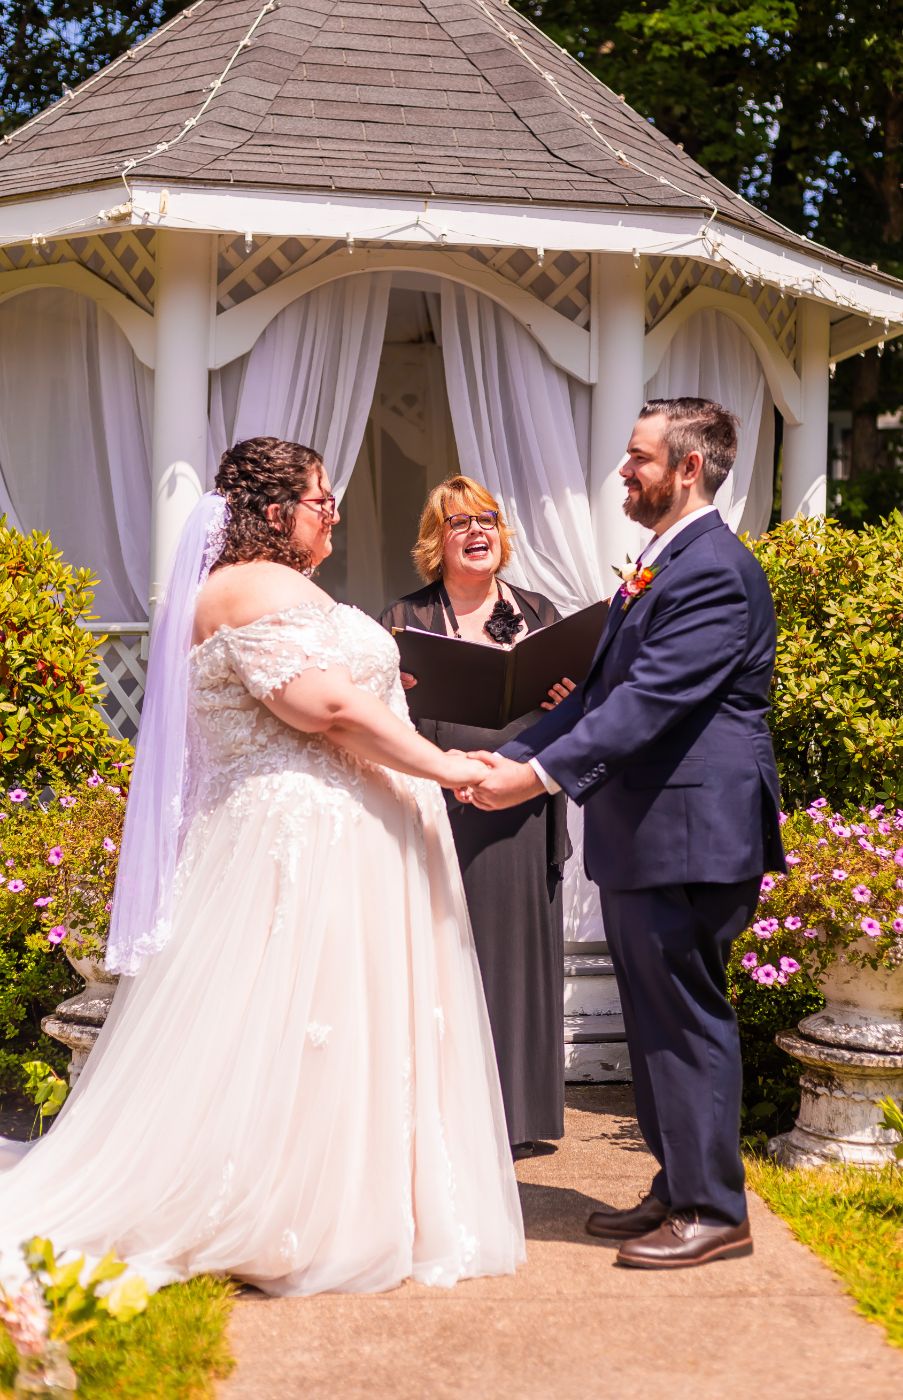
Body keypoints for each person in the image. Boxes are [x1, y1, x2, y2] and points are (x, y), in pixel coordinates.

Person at [0, 438, 525, 1295]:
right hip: (301, 838)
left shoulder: (278, 590)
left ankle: (348, 1202)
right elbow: (321, 707)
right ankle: (284, 1211)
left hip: (337, 829)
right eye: (322, 503)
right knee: (298, 1017)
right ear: (276, 512)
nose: (334, 517)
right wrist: (454, 768)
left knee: (329, 1024)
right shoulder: (250, 584)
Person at [459, 399, 785, 1269]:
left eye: (637, 457)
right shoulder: (663, 562)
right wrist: (516, 756)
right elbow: (602, 696)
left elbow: (650, 704)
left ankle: (716, 1210)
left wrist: (531, 776)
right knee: (652, 1018)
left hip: (691, 831)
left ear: (686, 468)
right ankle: (676, 1184)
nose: (621, 472)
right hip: (651, 830)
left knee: (683, 1018)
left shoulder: (711, 568)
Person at [379, 477, 573, 1158]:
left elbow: (577, 712)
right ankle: (445, 1113)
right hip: (440, 803)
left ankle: (516, 1116)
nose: (475, 531)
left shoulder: (540, 611)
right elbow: (380, 718)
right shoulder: (404, 619)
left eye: (485, 518)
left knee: (515, 957)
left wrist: (565, 699)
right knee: (443, 951)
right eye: (457, 521)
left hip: (519, 802)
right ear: (437, 540)